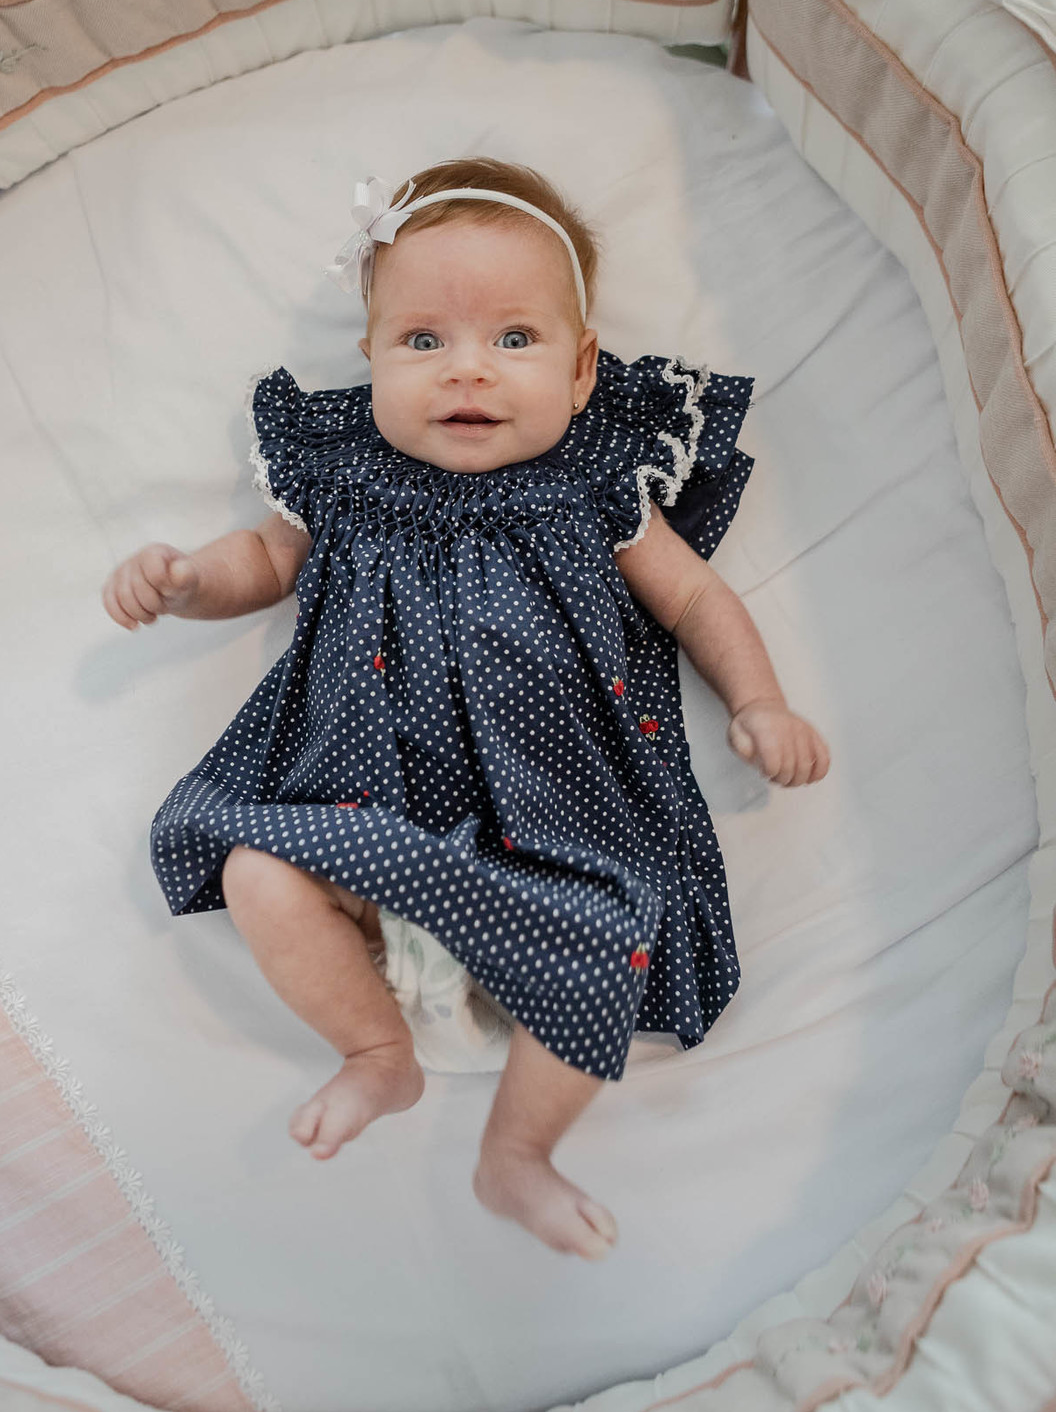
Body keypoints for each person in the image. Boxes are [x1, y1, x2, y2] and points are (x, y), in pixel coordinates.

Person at [102, 157, 830, 1260]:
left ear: (583, 371)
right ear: (371, 359)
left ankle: (518, 1154)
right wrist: (187, 580)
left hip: (552, 830)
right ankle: (375, 1053)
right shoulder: (340, 470)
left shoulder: (598, 479)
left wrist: (760, 701)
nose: (468, 370)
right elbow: (265, 560)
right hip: (365, 815)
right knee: (258, 873)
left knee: (617, 932)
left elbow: (691, 598)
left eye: (515, 339)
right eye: (423, 340)